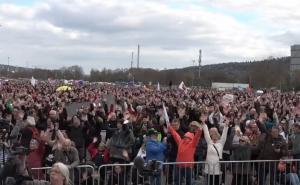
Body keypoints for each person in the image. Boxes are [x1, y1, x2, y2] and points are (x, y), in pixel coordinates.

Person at [168, 121, 202, 185]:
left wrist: (199, 130)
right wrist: (170, 127)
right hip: (179, 166)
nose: (186, 138)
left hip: (188, 167)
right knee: (178, 181)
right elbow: (175, 134)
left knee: (189, 182)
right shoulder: (181, 142)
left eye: (188, 137)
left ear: (191, 138)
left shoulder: (192, 144)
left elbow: (197, 137)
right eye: (185, 137)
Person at [202, 116, 229, 185]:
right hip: (209, 166)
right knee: (209, 182)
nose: (213, 135)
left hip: (217, 167)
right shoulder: (209, 142)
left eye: (215, 133)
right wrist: (204, 123)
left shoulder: (221, 142)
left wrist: (226, 125)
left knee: (216, 182)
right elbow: (206, 133)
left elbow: (224, 135)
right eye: (212, 133)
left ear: (217, 134)